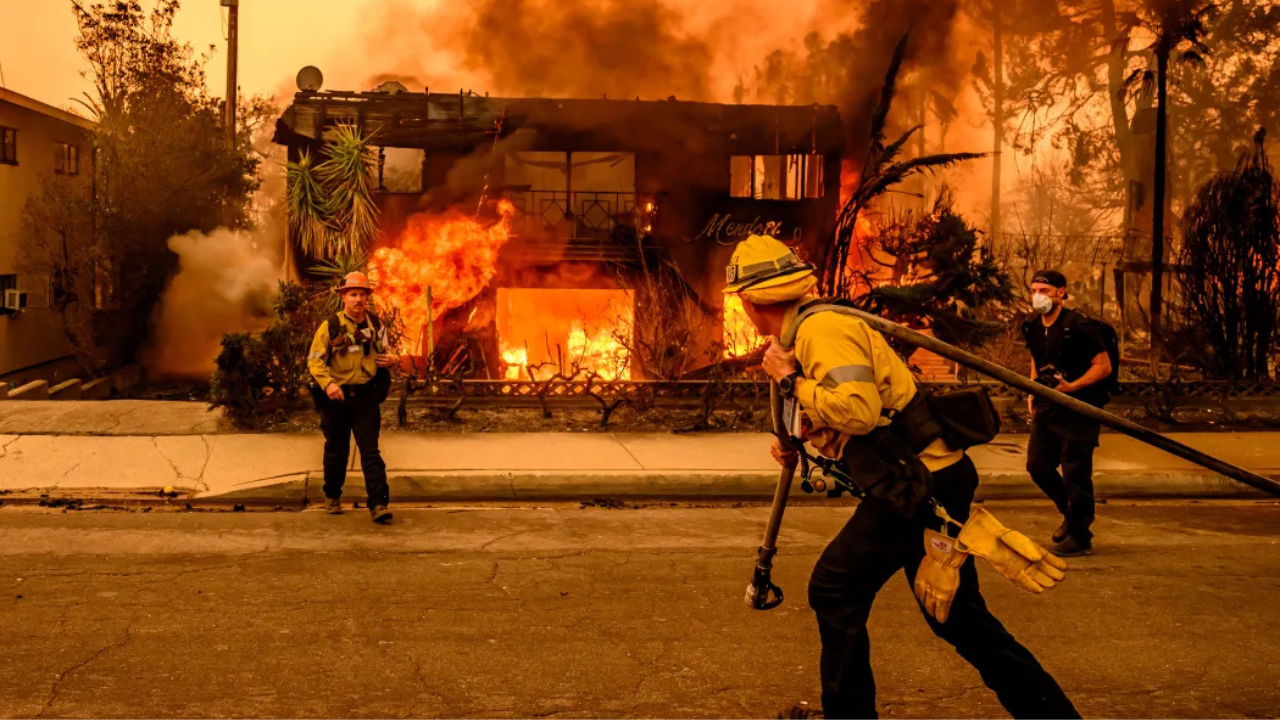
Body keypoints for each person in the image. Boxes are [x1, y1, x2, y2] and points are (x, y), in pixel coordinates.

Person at [724, 235, 1077, 720]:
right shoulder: (806, 329)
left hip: (918, 486)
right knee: (957, 619)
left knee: (834, 587)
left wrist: (790, 380)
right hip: (927, 479)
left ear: (748, 301)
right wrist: (799, 435)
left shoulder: (819, 331)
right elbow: (847, 407)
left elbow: (860, 411)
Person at [1021, 270, 1113, 557]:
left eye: (1045, 291)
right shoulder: (1032, 324)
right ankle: (1072, 517)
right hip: (1047, 405)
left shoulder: (1079, 325)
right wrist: (1032, 390)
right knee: (1038, 467)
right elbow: (1037, 360)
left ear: (1061, 292)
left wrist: (1072, 387)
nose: (1038, 296)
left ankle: (1079, 534)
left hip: (1080, 407)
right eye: (1034, 290)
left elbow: (1103, 366)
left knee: (1076, 471)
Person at [307, 271, 400, 524]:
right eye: (354, 294)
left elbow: (388, 352)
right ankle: (332, 496)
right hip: (336, 398)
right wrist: (328, 385)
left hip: (365, 398)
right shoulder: (331, 326)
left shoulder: (375, 325)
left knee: (370, 451)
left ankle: (379, 504)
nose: (359, 299)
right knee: (337, 450)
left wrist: (393, 360)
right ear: (343, 297)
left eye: (363, 294)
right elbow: (315, 362)